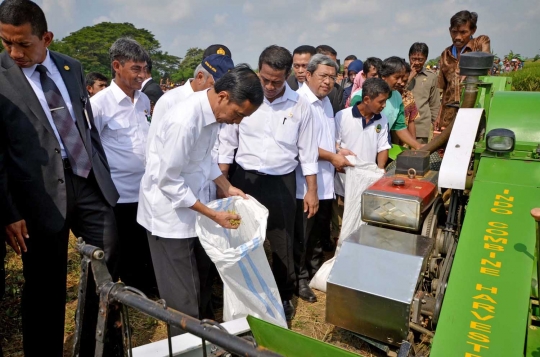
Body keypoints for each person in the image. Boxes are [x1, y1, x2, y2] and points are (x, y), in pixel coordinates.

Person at [0, 1, 119, 356]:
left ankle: (95, 345)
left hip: (87, 182)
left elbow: (85, 124)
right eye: (6, 43)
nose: (14, 52)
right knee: (44, 285)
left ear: (46, 37)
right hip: (37, 194)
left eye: (23, 44)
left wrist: (101, 173)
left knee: (105, 268)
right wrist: (8, 210)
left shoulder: (71, 66)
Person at [137, 64, 263, 334]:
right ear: (224, 96)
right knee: (183, 300)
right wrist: (212, 214)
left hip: (192, 209)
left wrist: (227, 186)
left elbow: (203, 159)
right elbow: (168, 180)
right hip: (169, 218)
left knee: (198, 285)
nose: (237, 122)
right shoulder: (185, 120)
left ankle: (200, 340)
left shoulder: (212, 115)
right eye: (238, 114)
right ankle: (185, 345)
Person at [218, 45, 319, 321]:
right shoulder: (247, 98)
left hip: (281, 183)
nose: (270, 86)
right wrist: (223, 180)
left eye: (277, 81)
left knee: (282, 242)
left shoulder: (301, 106)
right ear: (258, 70)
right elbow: (228, 142)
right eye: (265, 79)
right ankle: (243, 295)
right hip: (244, 180)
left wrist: (311, 189)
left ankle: (283, 297)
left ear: (289, 75)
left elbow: (308, 151)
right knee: (241, 238)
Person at [90, 38, 158, 296]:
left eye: (144, 69)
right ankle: (116, 292)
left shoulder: (142, 100)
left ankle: (140, 288)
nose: (142, 75)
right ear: (117, 66)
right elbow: (90, 148)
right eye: (136, 69)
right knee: (119, 246)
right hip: (117, 192)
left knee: (141, 243)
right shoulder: (99, 104)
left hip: (144, 189)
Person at [294, 54, 352, 303]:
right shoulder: (299, 102)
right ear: (308, 75)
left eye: (332, 77)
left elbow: (326, 138)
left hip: (326, 180)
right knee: (302, 235)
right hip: (305, 184)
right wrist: (332, 157)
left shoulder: (327, 102)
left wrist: (337, 152)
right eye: (323, 76)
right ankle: (299, 279)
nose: (328, 82)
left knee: (319, 232)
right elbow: (301, 146)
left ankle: (315, 270)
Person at [350, 57, 423, 150]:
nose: (401, 83)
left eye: (404, 79)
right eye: (397, 78)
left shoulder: (397, 97)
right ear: (384, 76)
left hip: (382, 148)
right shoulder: (360, 96)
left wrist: (417, 146)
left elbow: (399, 127)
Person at [436, 10, 490, 130]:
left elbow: (486, 58)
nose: (458, 37)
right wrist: (440, 116)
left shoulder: (479, 44)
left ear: (473, 31)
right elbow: (444, 90)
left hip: (474, 111)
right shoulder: (446, 54)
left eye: (463, 32)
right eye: (454, 32)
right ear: (450, 30)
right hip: (449, 114)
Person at [335, 77, 392, 170]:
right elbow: (334, 144)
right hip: (344, 175)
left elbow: (383, 147)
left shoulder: (382, 119)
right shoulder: (342, 116)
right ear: (366, 100)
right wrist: (339, 153)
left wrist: (380, 169)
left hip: (369, 175)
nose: (384, 105)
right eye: (381, 102)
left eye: (385, 101)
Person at [407, 42, 440, 144]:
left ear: (425, 59)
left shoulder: (431, 77)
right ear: (409, 57)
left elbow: (434, 103)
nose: (416, 63)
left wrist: (435, 126)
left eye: (420, 60)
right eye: (413, 59)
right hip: (402, 126)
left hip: (422, 127)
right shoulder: (402, 74)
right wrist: (409, 78)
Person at [316, 45, 342, 114]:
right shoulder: (289, 85)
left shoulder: (336, 90)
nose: (333, 67)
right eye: (329, 63)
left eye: (334, 63)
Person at [398, 63, 420, 140]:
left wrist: (414, 146)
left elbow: (411, 121)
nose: (402, 83)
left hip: (405, 141)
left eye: (405, 80)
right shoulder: (385, 97)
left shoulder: (409, 95)